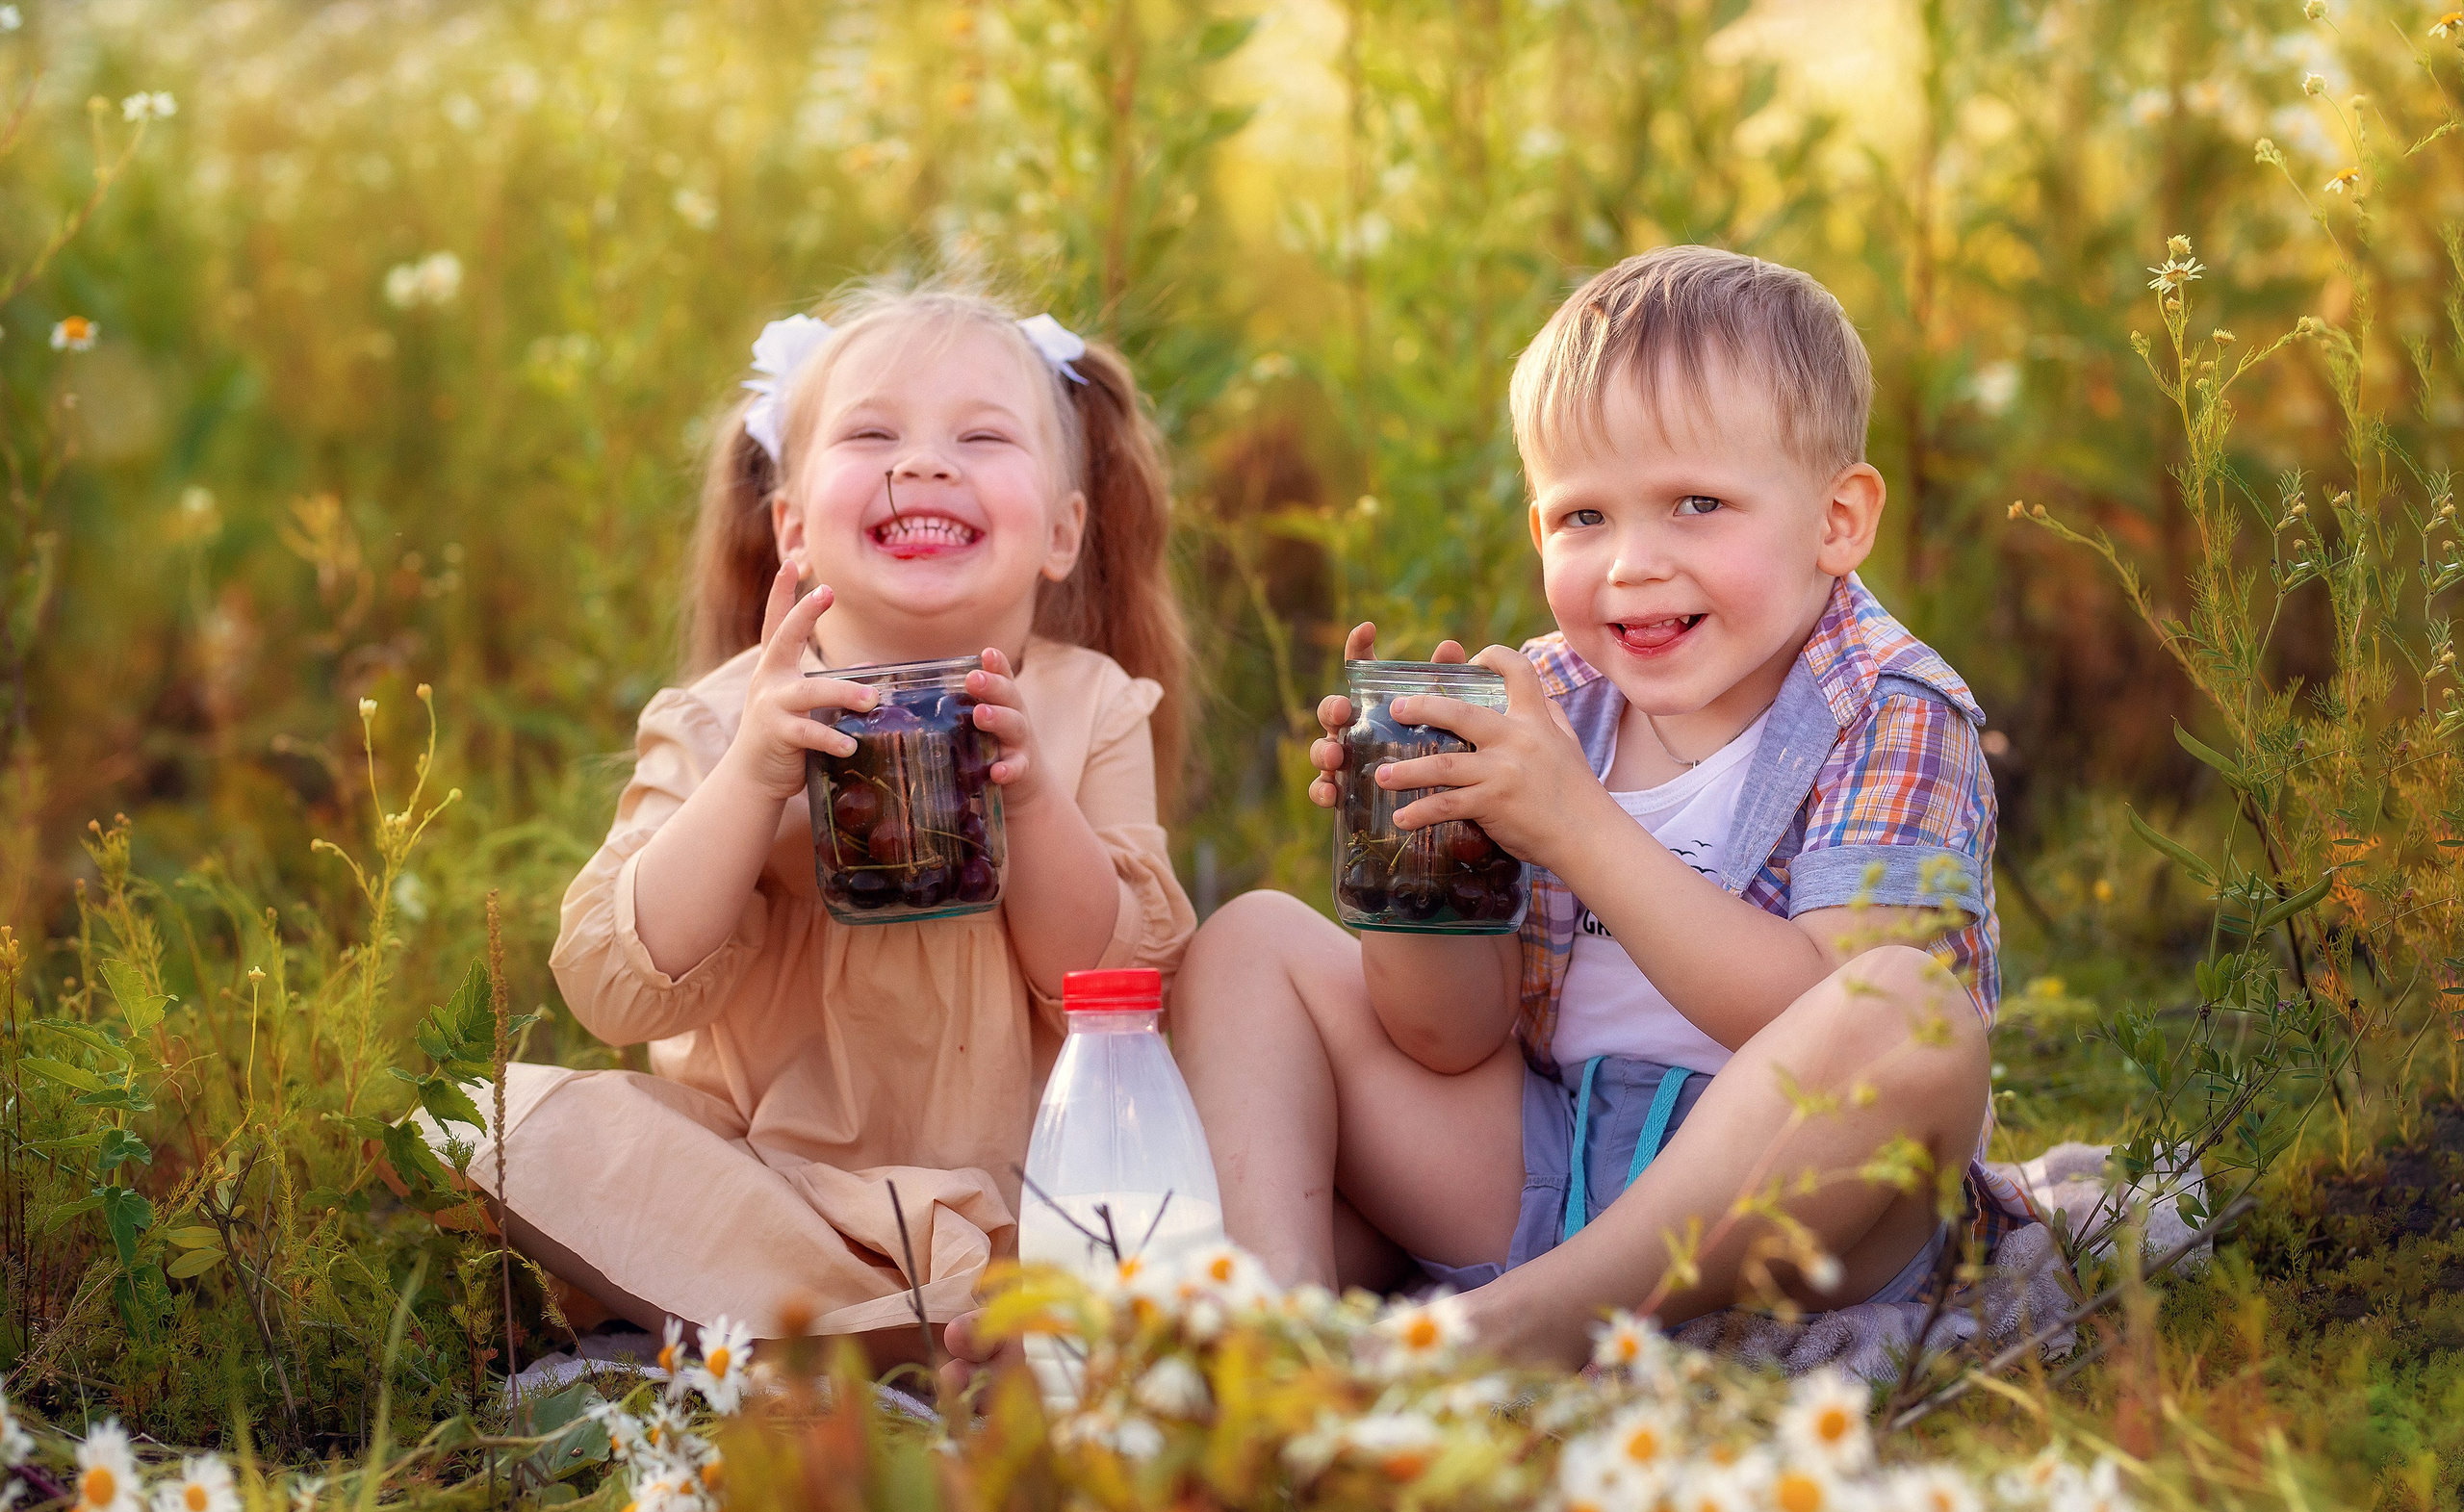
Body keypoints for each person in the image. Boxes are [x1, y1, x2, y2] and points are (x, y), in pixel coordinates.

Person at [1166, 246, 2034, 1367]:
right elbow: (1451, 1037)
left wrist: (1574, 823)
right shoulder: (1551, 705)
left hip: (1807, 1217)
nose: (1630, 563)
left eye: (1695, 504)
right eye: (1583, 518)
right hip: (1546, 1164)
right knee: (1248, 942)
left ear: (1836, 520)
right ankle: (1272, 1332)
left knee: (1907, 1009)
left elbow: (1822, 1004)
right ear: (1537, 531)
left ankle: (1517, 1329)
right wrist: (1416, 870)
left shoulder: (1891, 708)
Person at [437, 284, 1194, 1367]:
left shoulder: (1089, 708)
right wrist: (751, 781)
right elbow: (612, 983)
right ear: (791, 524)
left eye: (981, 436)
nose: (926, 462)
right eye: (874, 434)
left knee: (1123, 1212)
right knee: (500, 1124)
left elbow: (1116, 978)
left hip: (1031, 1203)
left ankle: (863, 1340)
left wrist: (1029, 797)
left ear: (1063, 533)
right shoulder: (717, 721)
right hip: (777, 1199)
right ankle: (880, 1332)